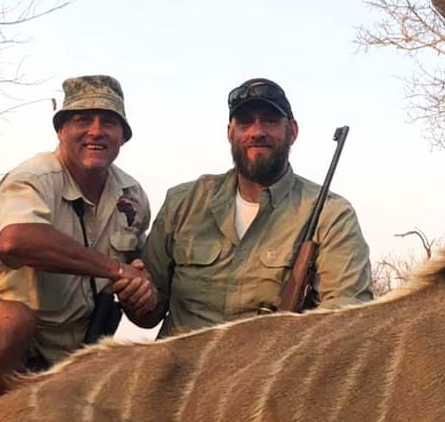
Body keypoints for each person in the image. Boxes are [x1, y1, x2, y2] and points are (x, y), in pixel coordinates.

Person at [0, 75, 158, 422]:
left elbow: (143, 313)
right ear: (61, 130)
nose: (96, 131)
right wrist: (115, 270)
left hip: (77, 348)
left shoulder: (132, 197)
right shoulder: (33, 177)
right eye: (83, 120)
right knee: (9, 322)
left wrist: (140, 293)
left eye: (109, 122)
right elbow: (14, 241)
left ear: (123, 137)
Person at [142, 78, 372, 335]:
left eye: (270, 120)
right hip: (178, 371)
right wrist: (137, 295)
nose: (257, 131)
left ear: (292, 131)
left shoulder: (331, 214)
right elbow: (148, 314)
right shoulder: (183, 202)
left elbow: (348, 316)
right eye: (245, 122)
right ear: (230, 132)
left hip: (272, 371)